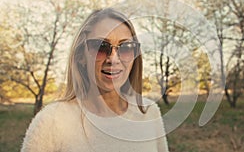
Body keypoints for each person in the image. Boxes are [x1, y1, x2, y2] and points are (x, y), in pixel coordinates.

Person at [21, 8, 169, 152]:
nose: (113, 59)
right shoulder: (52, 121)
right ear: (81, 56)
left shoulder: (149, 112)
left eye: (126, 47)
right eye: (100, 47)